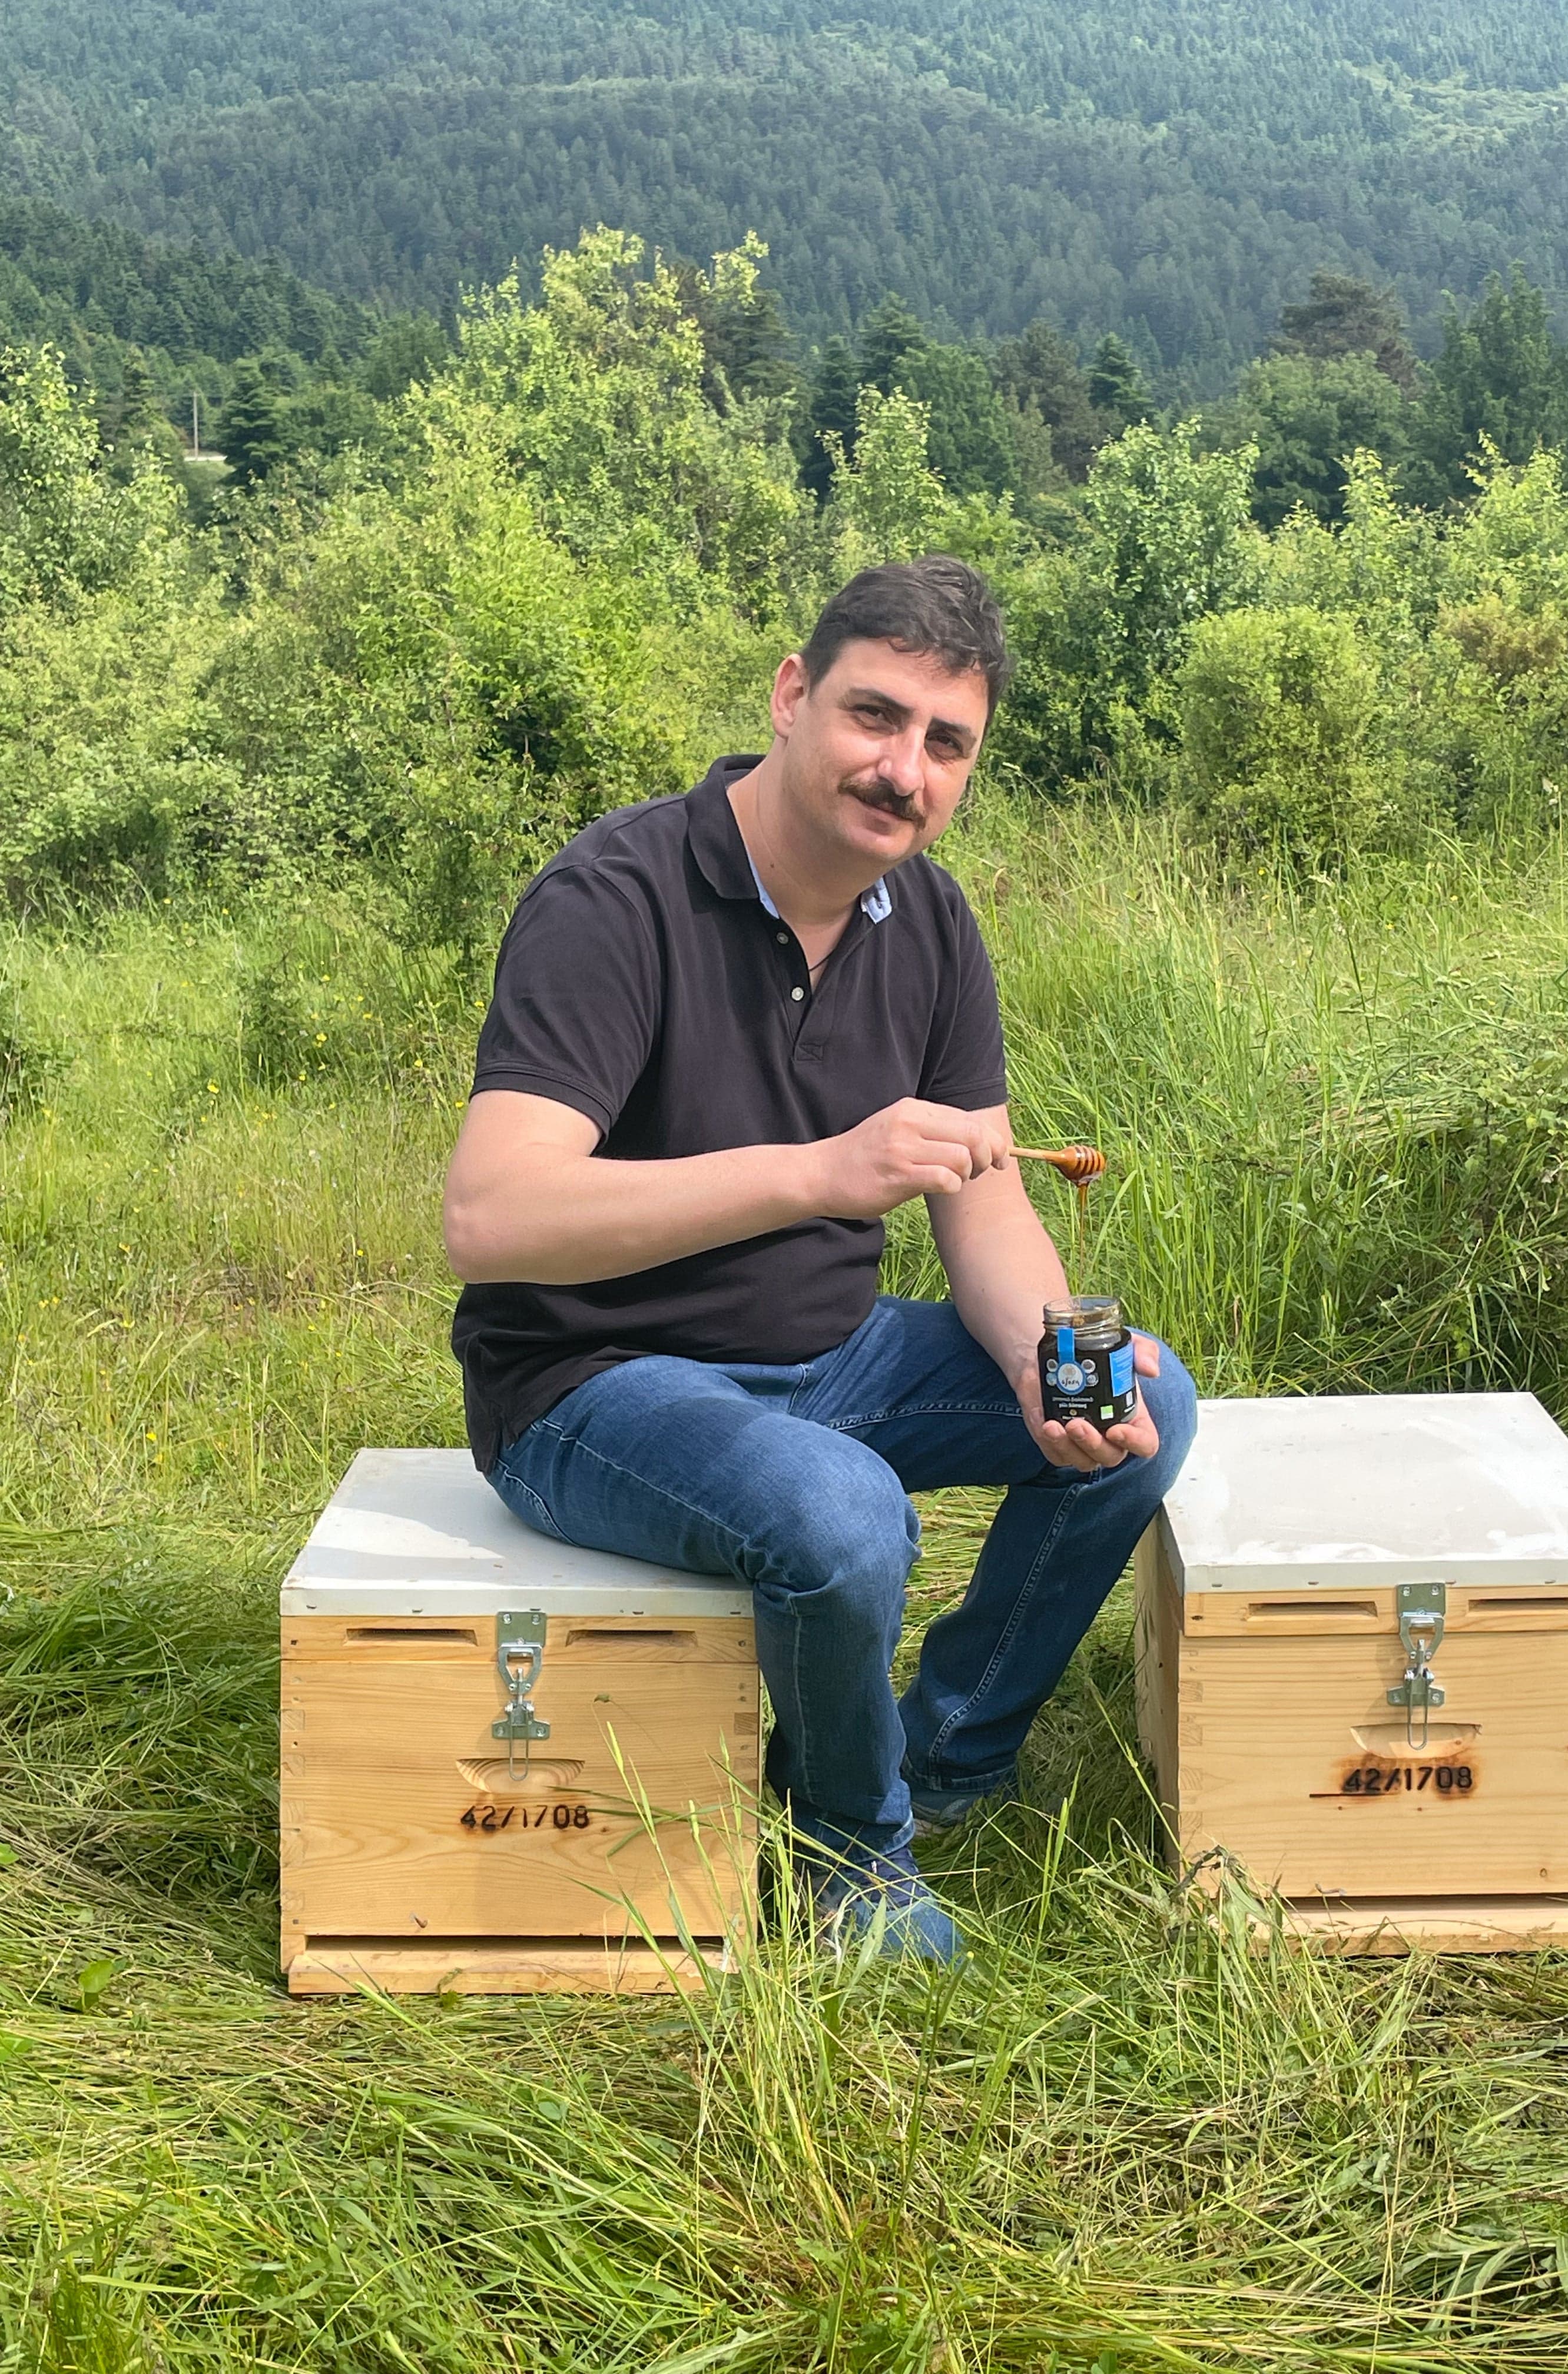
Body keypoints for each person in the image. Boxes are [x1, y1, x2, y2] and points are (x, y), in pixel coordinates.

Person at [443, 555, 1196, 1962]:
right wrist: (815, 1175)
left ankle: (947, 1754)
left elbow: (986, 1209)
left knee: (1144, 1400)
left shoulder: (935, 925)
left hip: (825, 1360)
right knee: (846, 1515)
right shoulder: (616, 896)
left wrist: (1055, 1354)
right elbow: (491, 1216)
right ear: (793, 697)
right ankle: (847, 1856)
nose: (902, 768)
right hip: (594, 1383)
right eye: (875, 716)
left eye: (944, 743)